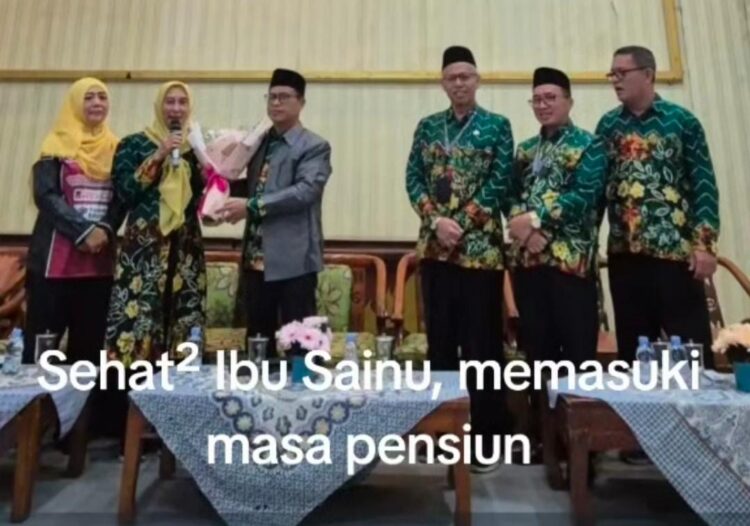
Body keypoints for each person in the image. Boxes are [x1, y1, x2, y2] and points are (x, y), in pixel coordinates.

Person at [405, 46, 514, 473]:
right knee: (441, 345)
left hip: (479, 255)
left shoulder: (497, 126)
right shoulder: (428, 126)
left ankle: (487, 439)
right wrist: (436, 221)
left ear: (478, 80)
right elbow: (413, 177)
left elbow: (499, 181)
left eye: (466, 76)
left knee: (482, 346)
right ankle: (442, 434)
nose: (459, 83)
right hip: (435, 253)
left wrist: (461, 224)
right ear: (443, 83)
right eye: (452, 77)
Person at [596, 46, 720, 368]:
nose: (615, 80)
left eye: (622, 73)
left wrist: (705, 245)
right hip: (626, 256)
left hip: (676, 257)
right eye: (612, 74)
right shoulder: (608, 126)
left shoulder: (682, 122)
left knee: (691, 354)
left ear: (648, 74)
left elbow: (704, 186)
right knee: (636, 358)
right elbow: (596, 190)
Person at [507, 67, 607, 454]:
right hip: (530, 266)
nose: (543, 105)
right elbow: (511, 196)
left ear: (569, 101)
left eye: (551, 97)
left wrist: (536, 223)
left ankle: (581, 444)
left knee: (578, 355)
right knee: (538, 353)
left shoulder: (589, 145)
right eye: (537, 99)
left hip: (572, 267)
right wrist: (525, 231)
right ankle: (542, 439)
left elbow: (585, 196)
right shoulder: (525, 150)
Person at [217, 69, 332, 357]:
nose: (276, 103)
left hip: (295, 260)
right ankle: (258, 386)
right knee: (258, 343)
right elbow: (253, 185)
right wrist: (216, 186)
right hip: (255, 258)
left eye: (284, 97)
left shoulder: (314, 146)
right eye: (271, 97)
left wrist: (250, 206)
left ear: (301, 102)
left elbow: (305, 191)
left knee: (301, 346)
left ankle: (303, 387)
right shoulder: (258, 142)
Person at [106, 81, 206, 368]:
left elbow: (203, 197)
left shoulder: (195, 149)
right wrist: (159, 155)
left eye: (182, 102)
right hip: (144, 247)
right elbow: (125, 191)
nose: (176, 109)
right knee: (139, 312)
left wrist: (209, 171)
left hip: (185, 245)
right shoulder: (133, 144)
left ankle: (179, 380)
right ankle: (130, 384)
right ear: (159, 106)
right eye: (169, 102)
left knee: (182, 310)